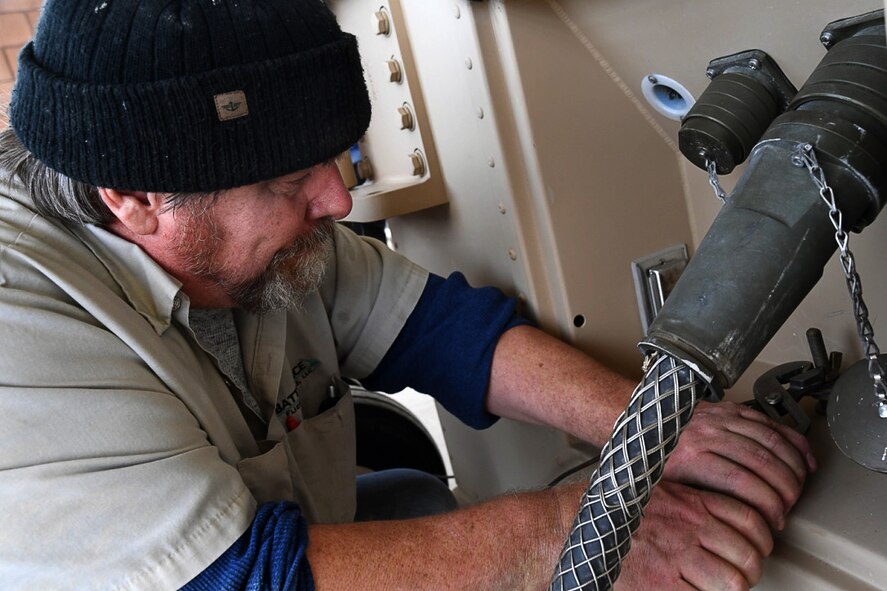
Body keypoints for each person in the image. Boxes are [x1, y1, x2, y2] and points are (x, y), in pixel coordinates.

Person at [0, 1, 815, 589]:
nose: (336, 201)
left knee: (416, 496)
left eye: (336, 157)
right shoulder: (19, 328)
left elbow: (438, 327)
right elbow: (236, 577)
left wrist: (652, 428)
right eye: (288, 179)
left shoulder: (258, 239)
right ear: (136, 199)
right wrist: (563, 531)